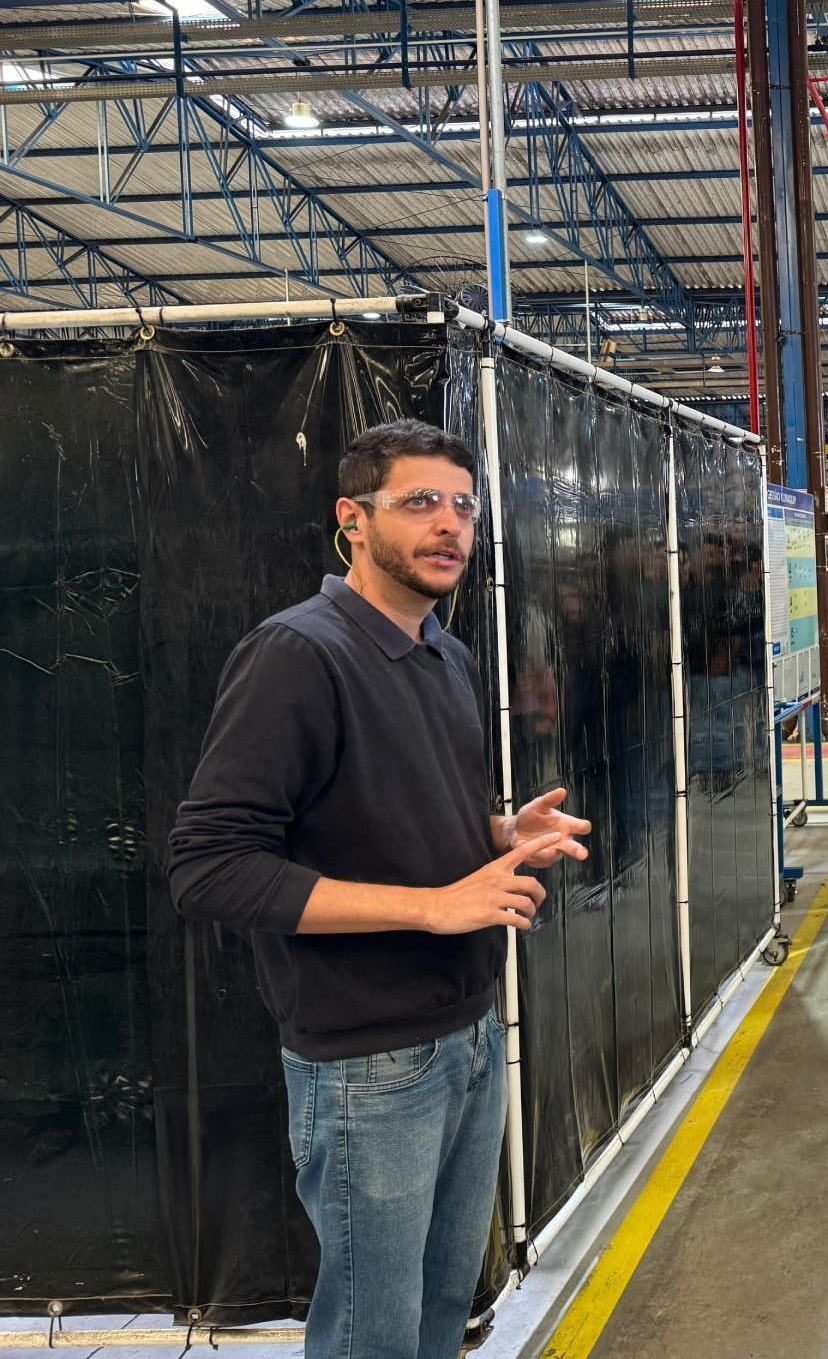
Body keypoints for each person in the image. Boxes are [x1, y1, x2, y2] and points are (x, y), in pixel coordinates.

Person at [168, 420, 592, 1359]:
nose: (448, 526)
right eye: (418, 504)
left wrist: (495, 836)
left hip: (468, 1036)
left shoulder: (447, 656)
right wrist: (435, 908)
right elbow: (209, 864)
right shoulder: (297, 655)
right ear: (351, 521)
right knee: (375, 1332)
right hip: (368, 1065)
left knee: (442, 1312)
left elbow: (387, 818)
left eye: (462, 506)